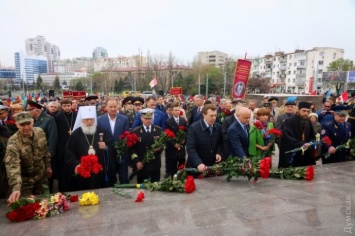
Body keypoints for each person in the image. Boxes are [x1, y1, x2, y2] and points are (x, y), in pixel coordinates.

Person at [65, 106, 116, 191]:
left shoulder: (101, 131)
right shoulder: (76, 134)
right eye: (86, 120)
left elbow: (112, 146)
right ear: (82, 120)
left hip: (99, 171)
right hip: (83, 170)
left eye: (91, 119)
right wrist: (77, 165)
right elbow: (69, 153)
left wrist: (106, 147)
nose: (89, 122)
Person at [4, 112, 52, 203]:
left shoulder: (40, 132)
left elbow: (45, 151)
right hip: (25, 183)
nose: (26, 127)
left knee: (46, 206)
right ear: (17, 125)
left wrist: (48, 166)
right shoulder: (13, 142)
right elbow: (13, 166)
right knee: (28, 210)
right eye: (22, 125)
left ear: (33, 122)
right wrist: (16, 188)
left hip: (41, 179)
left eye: (28, 124)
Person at [26, 100, 58, 192]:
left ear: (36, 110)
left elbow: (53, 138)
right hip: (33, 155)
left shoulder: (49, 119)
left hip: (45, 155)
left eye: (29, 110)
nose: (27, 112)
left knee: (47, 178)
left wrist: (49, 155)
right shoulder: (31, 120)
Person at [97, 97, 130, 184]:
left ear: (118, 107)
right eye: (110, 107)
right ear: (106, 107)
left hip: (121, 154)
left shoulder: (124, 119)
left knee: (124, 178)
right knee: (110, 179)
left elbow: (127, 135)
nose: (113, 109)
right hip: (107, 153)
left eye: (115, 106)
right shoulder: (100, 120)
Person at [186, 104, 223, 172]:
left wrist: (218, 153)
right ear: (204, 115)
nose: (214, 118)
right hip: (196, 168)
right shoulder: (194, 128)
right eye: (211, 116)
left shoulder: (218, 127)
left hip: (212, 167)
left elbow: (220, 143)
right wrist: (198, 163)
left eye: (215, 115)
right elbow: (191, 148)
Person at [130, 109, 164, 183]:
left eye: (150, 118)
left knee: (156, 186)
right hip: (142, 164)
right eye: (146, 118)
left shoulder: (159, 130)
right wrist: (136, 161)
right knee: (142, 188)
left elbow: (164, 144)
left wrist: (160, 148)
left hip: (155, 164)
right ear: (141, 118)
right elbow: (132, 149)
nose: (148, 120)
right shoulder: (136, 132)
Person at [279, 102, 316, 168]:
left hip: (305, 152)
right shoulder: (289, 121)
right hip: (294, 152)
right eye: (304, 111)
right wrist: (301, 144)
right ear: (298, 110)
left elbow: (312, 135)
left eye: (308, 111)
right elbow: (288, 137)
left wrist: (310, 143)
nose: (306, 113)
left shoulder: (308, 121)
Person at [54, 98, 77, 191]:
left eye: (68, 105)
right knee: (63, 170)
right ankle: (63, 189)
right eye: (64, 106)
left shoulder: (75, 115)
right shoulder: (57, 117)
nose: (67, 108)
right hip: (62, 146)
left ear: (71, 105)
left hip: (74, 145)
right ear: (61, 106)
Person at [165, 102, 187, 177]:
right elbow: (167, 135)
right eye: (175, 110)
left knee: (182, 165)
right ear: (172, 111)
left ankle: (181, 178)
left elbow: (186, 132)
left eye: (178, 110)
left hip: (181, 146)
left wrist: (184, 140)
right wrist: (174, 144)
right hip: (172, 148)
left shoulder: (183, 120)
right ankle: (173, 179)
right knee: (173, 166)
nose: (177, 112)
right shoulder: (168, 122)